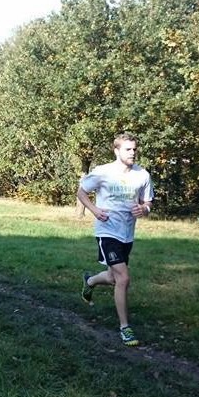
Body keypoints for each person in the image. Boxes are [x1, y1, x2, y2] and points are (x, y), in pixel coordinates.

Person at [77, 133, 154, 347]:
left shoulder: (142, 175)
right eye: (128, 149)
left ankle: (90, 281)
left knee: (113, 278)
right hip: (107, 231)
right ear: (116, 150)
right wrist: (94, 210)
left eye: (135, 149)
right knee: (123, 278)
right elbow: (81, 192)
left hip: (127, 233)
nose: (133, 152)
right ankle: (125, 327)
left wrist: (144, 209)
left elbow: (148, 202)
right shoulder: (103, 172)